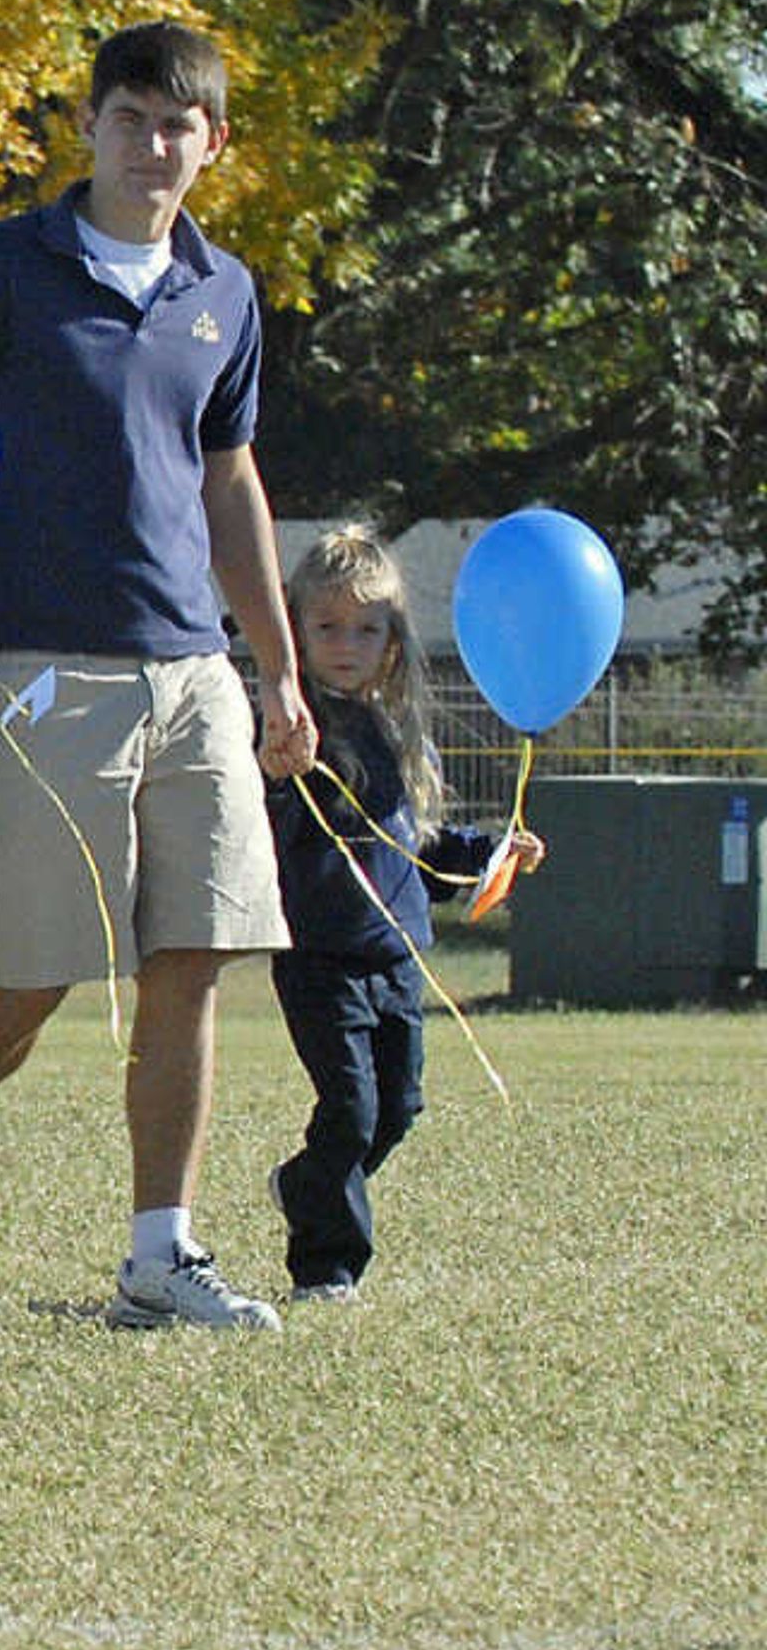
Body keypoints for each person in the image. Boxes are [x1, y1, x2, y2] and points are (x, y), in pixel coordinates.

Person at [0, 19, 321, 1333]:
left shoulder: (223, 293)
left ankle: (158, 1252)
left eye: (180, 123)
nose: (153, 142)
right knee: (37, 968)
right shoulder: (0, 269)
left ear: (213, 143)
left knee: (194, 955)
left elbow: (227, 477)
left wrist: (277, 667)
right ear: (87, 126)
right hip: (38, 668)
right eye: (131, 117)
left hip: (194, 672)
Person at [264, 525, 543, 1302]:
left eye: (365, 628)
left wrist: (490, 855)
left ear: (392, 640)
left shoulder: (394, 731)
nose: (345, 644)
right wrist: (278, 773)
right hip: (320, 954)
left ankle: (303, 1184)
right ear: (296, 631)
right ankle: (327, 1266)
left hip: (396, 958)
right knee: (350, 1111)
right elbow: (270, 819)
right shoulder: (292, 730)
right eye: (326, 627)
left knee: (398, 1108)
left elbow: (417, 846)